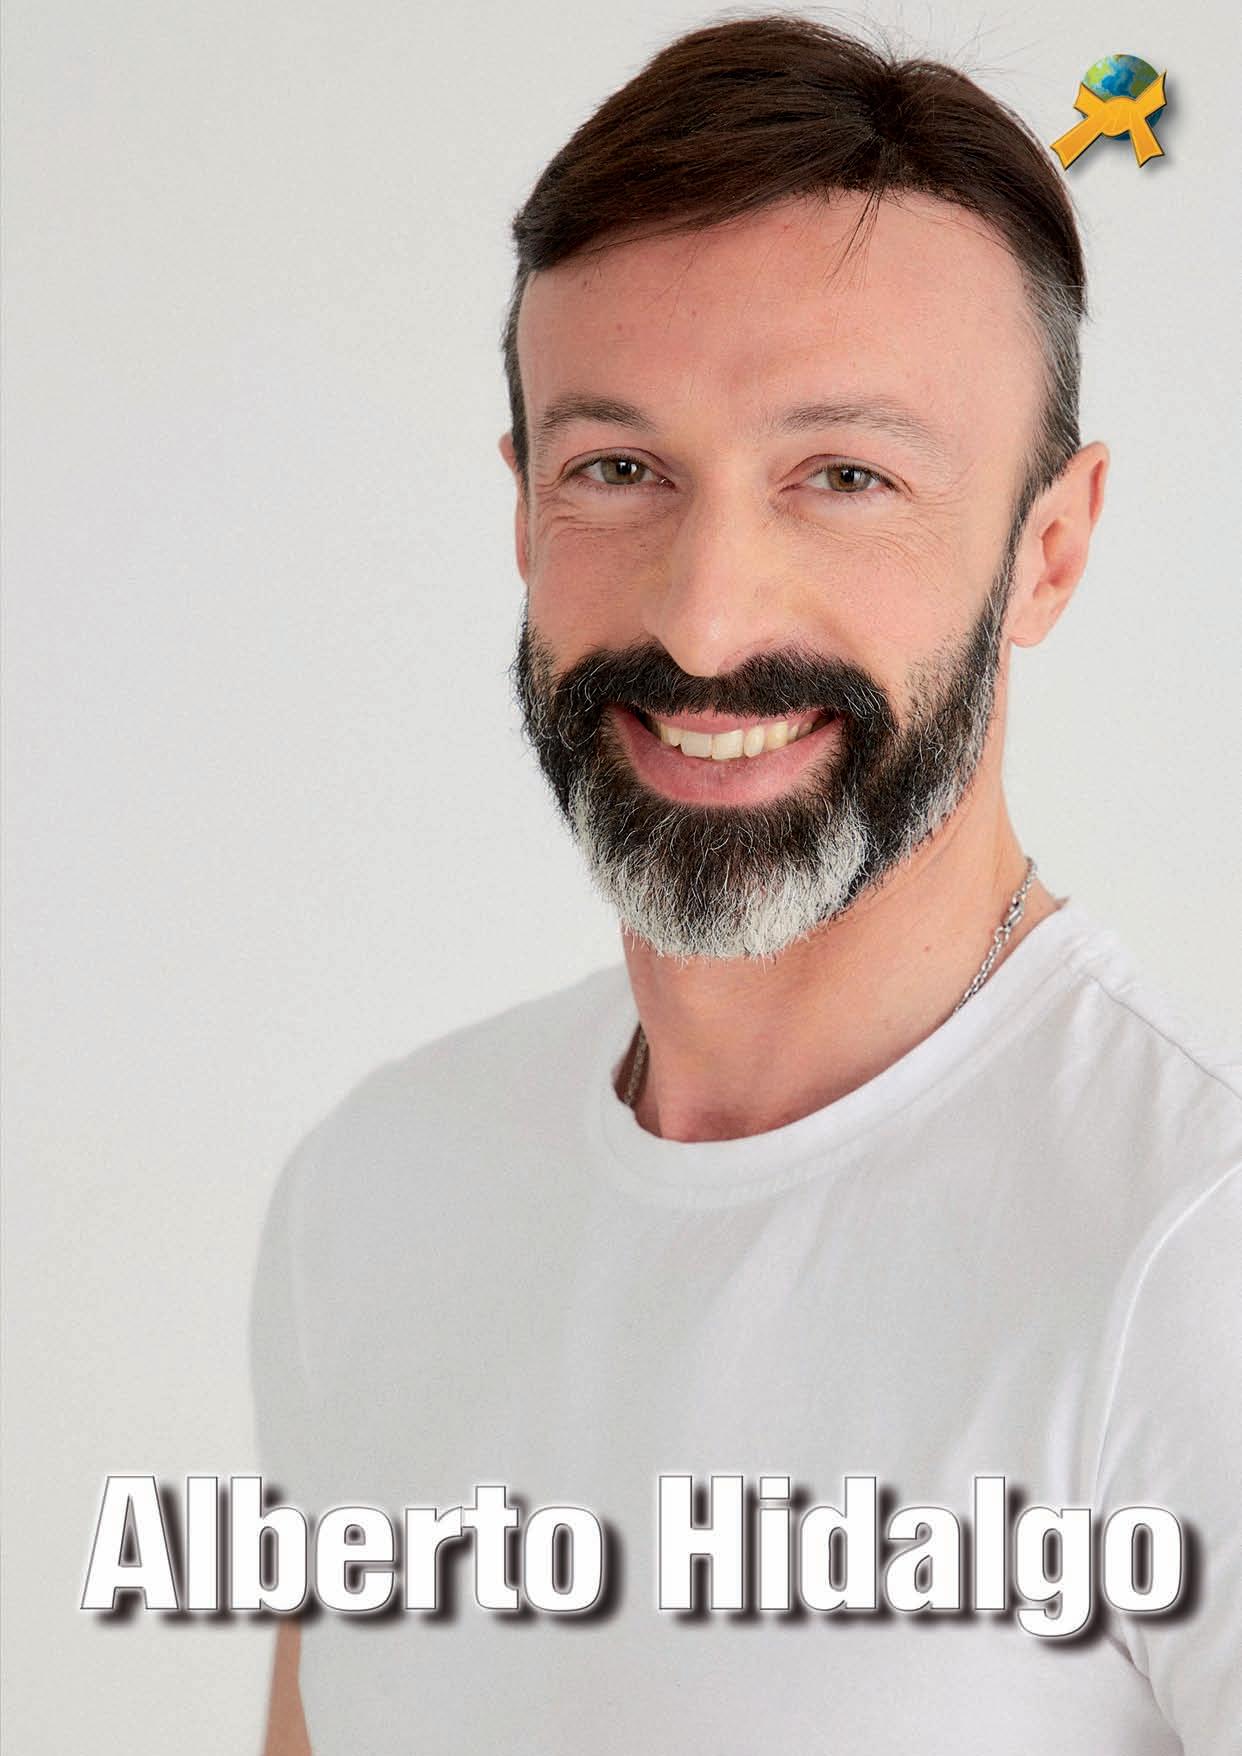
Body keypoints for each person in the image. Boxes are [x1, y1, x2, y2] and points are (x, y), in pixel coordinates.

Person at [251, 17, 1241, 1753]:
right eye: (618, 470)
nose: (705, 622)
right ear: (524, 514)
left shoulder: (1190, 1255)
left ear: (1049, 549)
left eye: (843, 477)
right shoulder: (379, 1188)